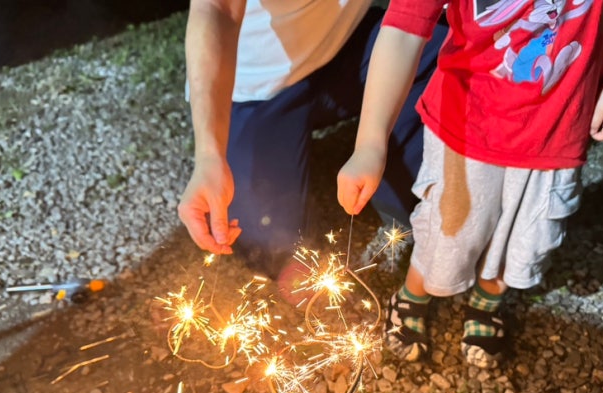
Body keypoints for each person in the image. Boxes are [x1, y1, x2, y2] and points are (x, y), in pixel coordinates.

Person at [337, 0, 603, 366]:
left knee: (526, 239)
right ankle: (412, 296)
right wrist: (370, 144)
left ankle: (486, 303)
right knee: (448, 234)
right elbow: (404, 27)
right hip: (466, 124)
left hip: (559, 129)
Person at [177, 0, 448, 280]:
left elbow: (411, 19)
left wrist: (371, 146)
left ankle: (403, 202)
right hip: (257, 89)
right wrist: (209, 155)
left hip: (348, 44)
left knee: (450, 49)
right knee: (269, 241)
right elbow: (216, 8)